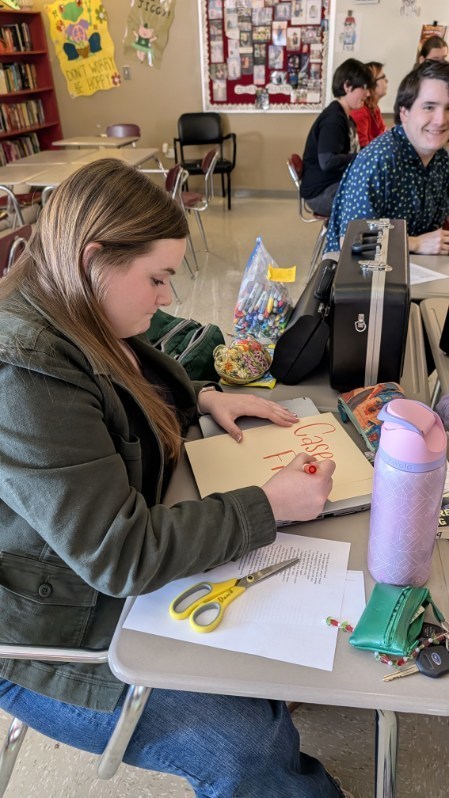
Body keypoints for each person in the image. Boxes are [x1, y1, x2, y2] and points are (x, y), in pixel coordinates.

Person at [0, 159, 349, 798]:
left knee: (261, 653)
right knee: (244, 742)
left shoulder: (73, 304)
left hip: (79, 572)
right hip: (41, 632)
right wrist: (266, 505)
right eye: (157, 278)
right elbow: (122, 555)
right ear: (93, 257)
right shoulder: (23, 373)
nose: (167, 297)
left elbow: (137, 379)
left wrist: (201, 398)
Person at [325, 59, 449, 255]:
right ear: (405, 112)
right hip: (357, 273)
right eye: (429, 107)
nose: (441, 119)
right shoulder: (378, 161)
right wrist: (414, 243)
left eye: (448, 108)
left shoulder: (441, 159)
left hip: (416, 269)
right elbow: (350, 241)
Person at [300, 58, 372, 217]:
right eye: (364, 88)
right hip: (321, 193)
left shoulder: (346, 117)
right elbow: (328, 162)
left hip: (331, 185)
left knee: (375, 192)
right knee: (371, 202)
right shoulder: (334, 119)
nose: (367, 94)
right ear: (347, 86)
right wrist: (360, 157)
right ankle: (348, 241)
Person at [350, 61, 388, 147]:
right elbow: (363, 149)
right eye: (383, 77)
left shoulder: (374, 108)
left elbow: (383, 136)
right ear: (372, 82)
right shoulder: (360, 111)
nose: (387, 80)